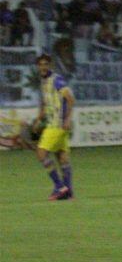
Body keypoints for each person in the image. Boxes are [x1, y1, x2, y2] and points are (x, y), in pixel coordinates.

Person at [34, 54, 75, 200]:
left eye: (46, 64)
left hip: (57, 125)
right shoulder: (43, 82)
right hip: (55, 125)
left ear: (50, 65)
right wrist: (39, 118)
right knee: (62, 157)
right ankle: (69, 192)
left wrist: (68, 119)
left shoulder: (56, 80)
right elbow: (46, 103)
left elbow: (70, 99)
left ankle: (59, 186)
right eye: (40, 64)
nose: (43, 67)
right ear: (38, 66)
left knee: (41, 153)